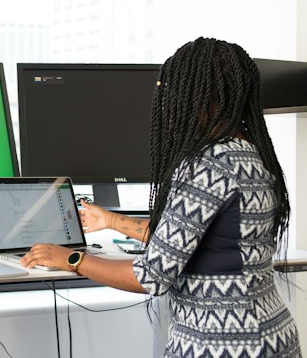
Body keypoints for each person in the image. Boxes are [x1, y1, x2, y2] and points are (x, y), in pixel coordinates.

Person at [21, 37, 302, 357]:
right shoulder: (252, 154)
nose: (168, 102)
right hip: (273, 337)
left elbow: (151, 276)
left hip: (222, 344)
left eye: (173, 90)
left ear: (196, 96)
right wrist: (112, 221)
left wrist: (72, 259)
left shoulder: (206, 164)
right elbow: (200, 239)